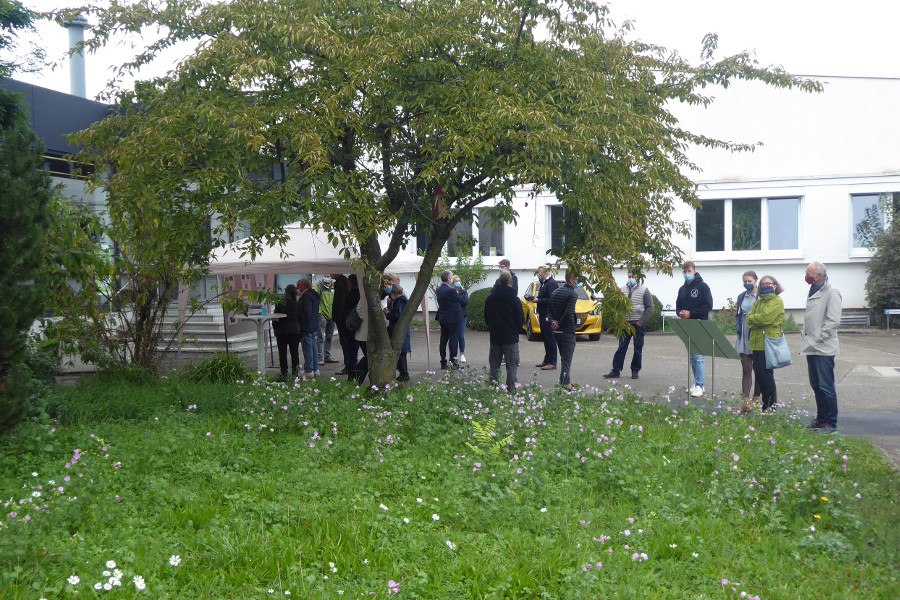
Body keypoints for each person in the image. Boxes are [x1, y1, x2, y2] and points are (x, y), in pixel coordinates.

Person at [800, 261, 843, 434]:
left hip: (824, 347)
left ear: (819, 275)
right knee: (816, 385)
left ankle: (830, 423)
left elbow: (833, 321)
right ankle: (821, 418)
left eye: (809, 274)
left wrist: (820, 337)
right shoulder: (814, 289)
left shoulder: (832, 292)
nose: (806, 276)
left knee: (826, 386)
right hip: (811, 345)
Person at [603, 270, 654, 380]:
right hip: (625, 324)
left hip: (638, 324)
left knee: (638, 348)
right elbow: (617, 306)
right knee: (621, 347)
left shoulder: (644, 290)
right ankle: (616, 370)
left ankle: (635, 370)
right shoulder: (622, 290)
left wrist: (642, 320)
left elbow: (650, 308)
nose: (630, 278)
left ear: (638, 277)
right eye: (629, 276)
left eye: (633, 276)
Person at [745, 275, 785, 414]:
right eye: (763, 284)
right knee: (759, 375)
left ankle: (770, 406)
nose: (765, 286)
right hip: (756, 342)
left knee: (767, 375)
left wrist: (755, 319)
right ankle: (765, 405)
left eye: (769, 283)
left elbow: (764, 318)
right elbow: (748, 319)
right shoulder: (758, 302)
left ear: (775, 286)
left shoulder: (777, 302)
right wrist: (756, 319)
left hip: (768, 342)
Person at [676, 260, 713, 398]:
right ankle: (696, 382)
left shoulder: (703, 287)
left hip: (699, 324)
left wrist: (691, 313)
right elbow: (678, 306)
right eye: (684, 272)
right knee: (692, 356)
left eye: (689, 271)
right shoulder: (682, 289)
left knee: (698, 356)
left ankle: (700, 385)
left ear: (694, 271)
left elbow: (708, 305)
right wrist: (680, 313)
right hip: (687, 326)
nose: (687, 274)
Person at [484, 271, 525, 391]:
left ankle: (493, 390)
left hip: (495, 337)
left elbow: (487, 318)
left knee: (494, 367)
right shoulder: (514, 299)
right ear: (511, 283)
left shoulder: (490, 299)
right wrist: (514, 331)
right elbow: (520, 319)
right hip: (510, 338)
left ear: (499, 282)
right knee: (512, 367)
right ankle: (511, 391)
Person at [733, 271, 761, 413]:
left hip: (757, 337)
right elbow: (737, 314)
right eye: (745, 281)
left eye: (750, 281)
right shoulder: (741, 297)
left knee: (759, 369)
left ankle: (757, 397)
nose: (747, 284)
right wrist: (738, 329)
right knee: (746, 368)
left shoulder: (761, 296)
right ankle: (745, 399)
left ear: (756, 280)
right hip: (743, 337)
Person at [549, 270, 579, 390]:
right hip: (567, 330)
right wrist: (560, 323)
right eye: (576, 280)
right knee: (566, 360)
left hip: (556, 331)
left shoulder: (555, 292)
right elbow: (569, 312)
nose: (577, 282)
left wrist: (553, 322)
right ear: (572, 281)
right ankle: (565, 386)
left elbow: (549, 310)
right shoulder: (572, 294)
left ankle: (567, 383)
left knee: (564, 358)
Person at [436, 270, 468, 369]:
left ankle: (443, 361)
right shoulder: (451, 290)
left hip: (443, 317)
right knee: (453, 340)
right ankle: (453, 362)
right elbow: (463, 301)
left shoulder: (438, 289)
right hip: (453, 318)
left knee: (443, 340)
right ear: (449, 279)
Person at [528, 266, 559, 370]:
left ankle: (552, 362)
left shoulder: (552, 283)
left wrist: (539, 301)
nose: (538, 275)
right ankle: (547, 359)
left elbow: (552, 299)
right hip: (542, 313)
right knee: (545, 337)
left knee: (550, 338)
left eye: (539, 273)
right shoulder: (544, 283)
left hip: (547, 314)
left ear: (544, 273)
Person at [273, 284, 302, 379]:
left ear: (285, 291)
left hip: (283, 331)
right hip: (295, 331)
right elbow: (302, 319)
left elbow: (276, 318)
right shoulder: (298, 304)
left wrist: (275, 329)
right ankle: (295, 374)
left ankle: (284, 374)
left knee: (283, 354)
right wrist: (302, 331)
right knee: (294, 354)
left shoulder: (280, 303)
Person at [385, 284, 412, 381]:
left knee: (400, 353)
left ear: (394, 293)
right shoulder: (405, 300)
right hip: (404, 330)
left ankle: (404, 374)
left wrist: (387, 313)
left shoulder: (398, 302)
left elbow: (396, 315)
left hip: (397, 330)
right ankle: (403, 373)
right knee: (402, 353)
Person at [296, 278, 321, 377]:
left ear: (303, 286)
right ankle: (316, 369)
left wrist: (303, 327)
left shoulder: (306, 296)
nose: (297, 288)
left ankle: (309, 370)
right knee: (314, 348)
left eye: (298, 285)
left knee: (308, 349)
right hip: (314, 325)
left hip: (307, 326)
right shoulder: (314, 295)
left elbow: (306, 312)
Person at [331, 273, 351, 374]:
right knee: (346, 342)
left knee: (345, 342)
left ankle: (348, 365)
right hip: (344, 317)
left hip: (342, 318)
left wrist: (336, 316)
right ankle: (349, 364)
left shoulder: (341, 284)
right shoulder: (342, 283)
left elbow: (339, 302)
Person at [317, 276, 339, 366]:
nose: (327, 278)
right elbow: (316, 299)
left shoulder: (334, 286)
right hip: (322, 315)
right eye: (325, 276)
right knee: (320, 337)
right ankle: (319, 358)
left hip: (332, 315)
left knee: (329, 337)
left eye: (328, 276)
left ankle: (328, 356)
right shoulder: (318, 285)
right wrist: (320, 313)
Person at [452, 275, 469, 363]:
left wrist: (457, 300)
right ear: (452, 282)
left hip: (462, 316)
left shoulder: (464, 292)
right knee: (453, 336)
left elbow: (465, 302)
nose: (458, 282)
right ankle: (453, 355)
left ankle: (462, 354)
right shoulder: (451, 291)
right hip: (453, 316)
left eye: (459, 281)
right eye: (456, 281)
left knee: (461, 335)